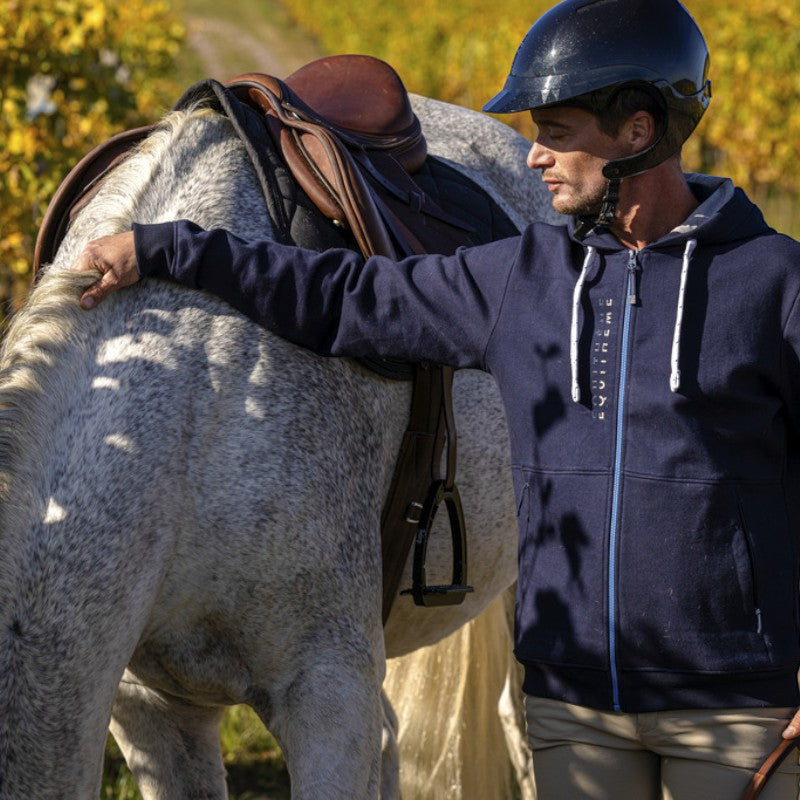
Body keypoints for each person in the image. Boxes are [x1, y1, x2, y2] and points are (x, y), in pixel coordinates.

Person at [73, 0, 800, 797]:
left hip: (734, 709)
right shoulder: (522, 277)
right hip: (575, 706)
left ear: (637, 131)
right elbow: (344, 296)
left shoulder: (775, 285)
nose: (533, 158)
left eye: (556, 132)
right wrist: (168, 248)